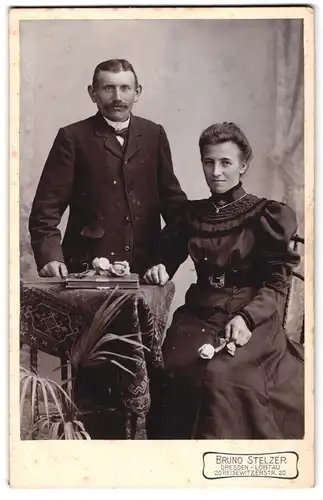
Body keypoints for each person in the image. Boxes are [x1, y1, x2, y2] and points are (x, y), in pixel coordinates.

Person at [144, 121, 304, 439]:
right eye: (209, 162)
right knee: (171, 368)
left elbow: (276, 283)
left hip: (252, 314)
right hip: (199, 313)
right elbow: (168, 258)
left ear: (243, 165)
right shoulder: (191, 215)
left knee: (221, 374)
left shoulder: (266, 215)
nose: (216, 171)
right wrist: (158, 268)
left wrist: (246, 318)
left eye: (225, 162)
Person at [29, 59, 187, 278]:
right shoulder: (72, 137)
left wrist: (164, 262)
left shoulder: (154, 134)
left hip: (144, 270)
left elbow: (176, 208)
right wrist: (50, 257)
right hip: (86, 269)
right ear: (92, 93)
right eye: (108, 88)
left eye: (125, 88)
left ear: (137, 92)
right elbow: (46, 210)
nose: (117, 98)